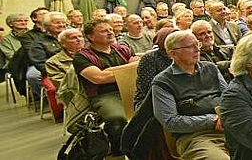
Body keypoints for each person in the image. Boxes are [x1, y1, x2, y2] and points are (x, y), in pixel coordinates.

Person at [151, 31, 229, 159]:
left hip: (229, 127)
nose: (197, 49)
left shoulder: (210, 68)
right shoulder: (163, 82)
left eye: (197, 44)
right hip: (196, 137)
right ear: (172, 53)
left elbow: (228, 98)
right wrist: (212, 121)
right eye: (190, 46)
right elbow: (170, 122)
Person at [75, 19, 135, 156]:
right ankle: (118, 152)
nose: (110, 32)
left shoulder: (122, 49)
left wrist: (111, 72)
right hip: (103, 95)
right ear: (91, 37)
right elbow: (99, 78)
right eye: (104, 31)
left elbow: (138, 65)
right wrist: (128, 68)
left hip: (129, 89)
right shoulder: (82, 56)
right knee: (117, 118)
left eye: (110, 29)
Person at [45, 28, 84, 122]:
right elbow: (62, 85)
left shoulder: (94, 54)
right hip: (75, 94)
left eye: (80, 36)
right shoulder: (53, 62)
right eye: (73, 38)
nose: (79, 39)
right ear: (63, 43)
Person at [134, 27, 177, 108]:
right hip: (150, 101)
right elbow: (147, 88)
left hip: (177, 97)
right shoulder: (150, 58)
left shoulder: (180, 56)